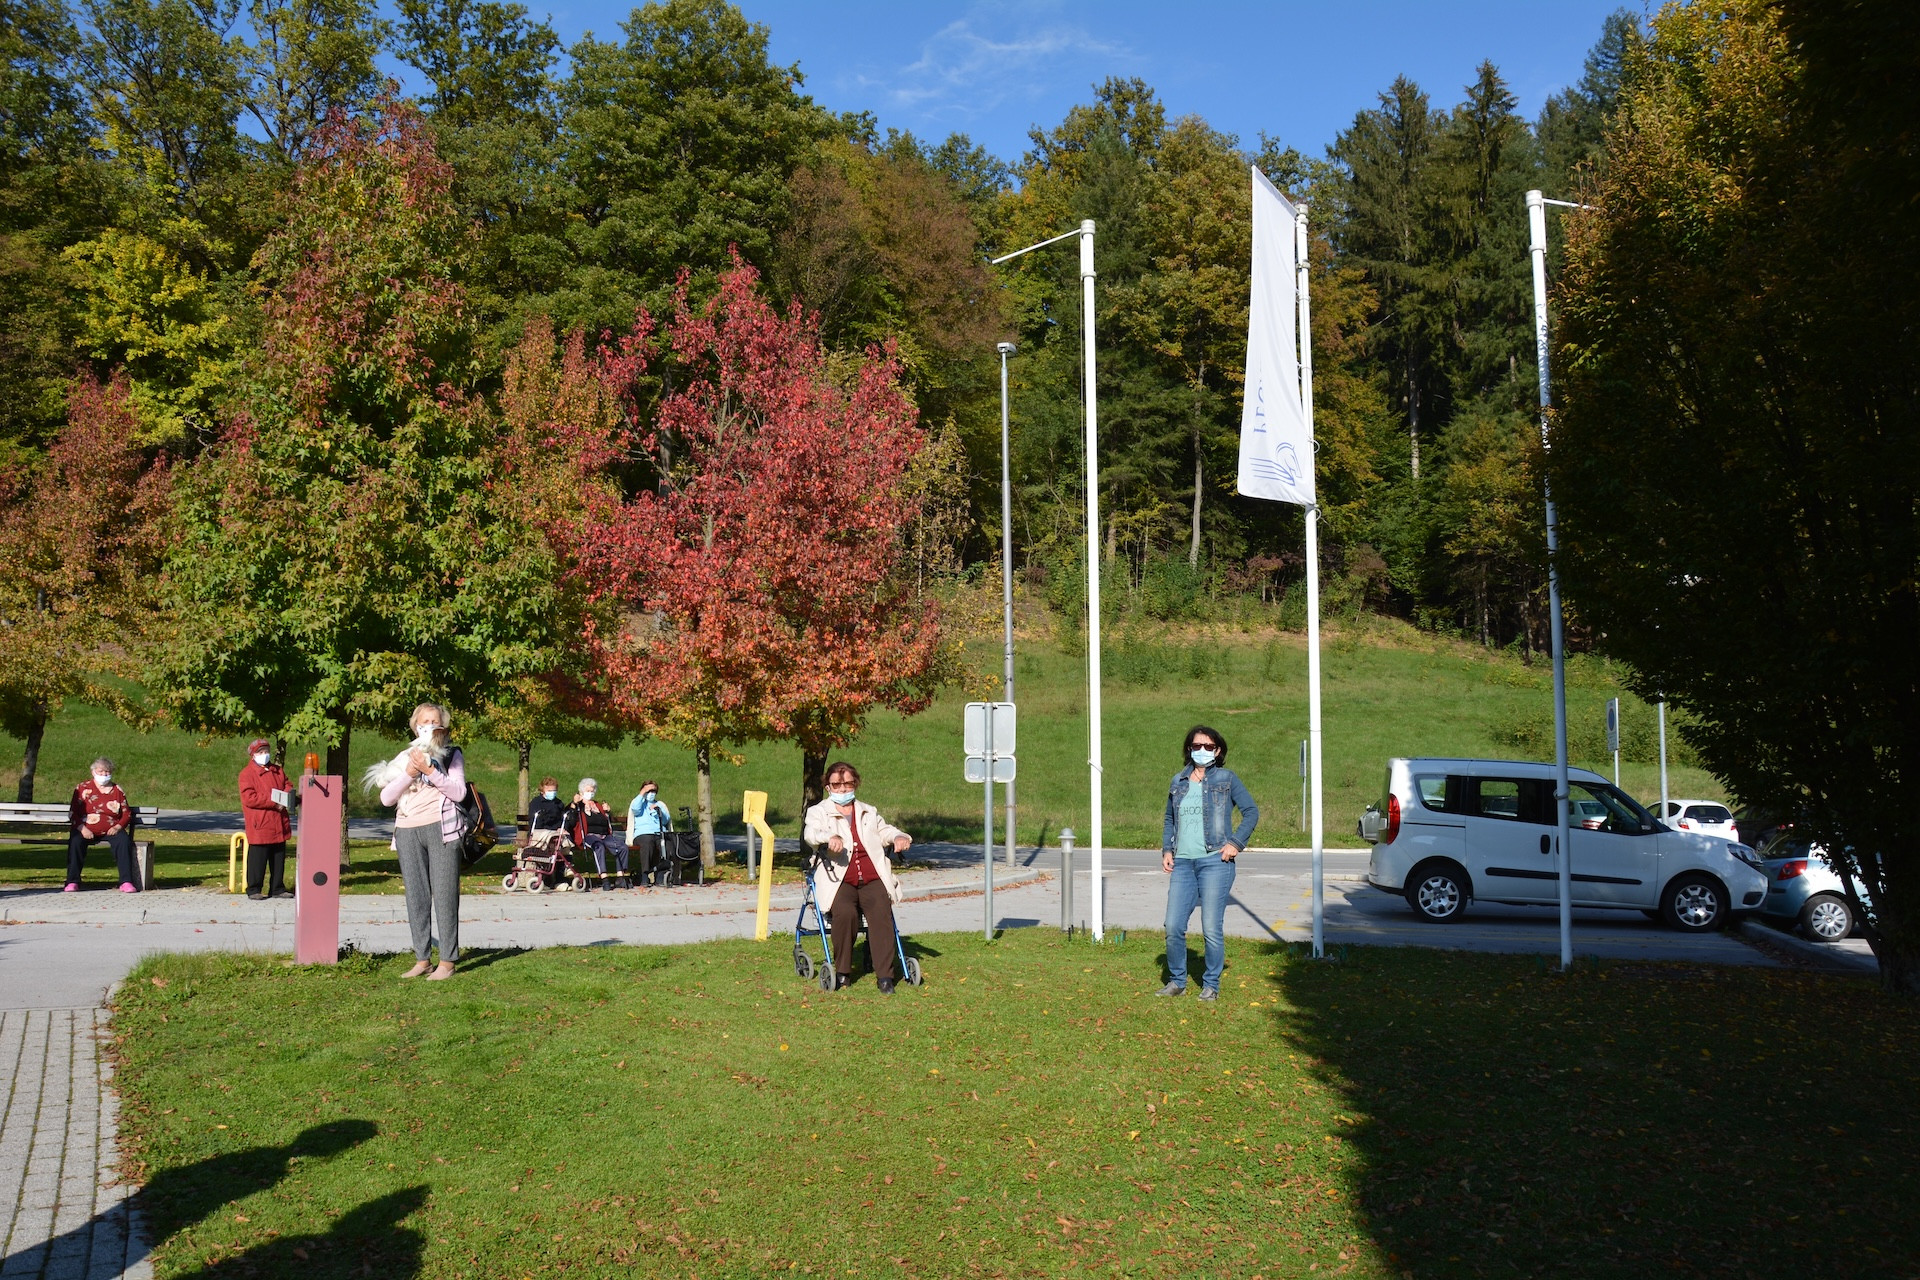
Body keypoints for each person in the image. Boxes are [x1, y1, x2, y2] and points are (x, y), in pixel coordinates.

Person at [1157, 725, 1259, 1001]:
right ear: (1189, 749)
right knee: (1173, 925)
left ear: (1218, 750)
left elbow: (1251, 812)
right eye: (1197, 746)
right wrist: (1168, 849)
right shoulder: (1178, 781)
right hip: (1183, 863)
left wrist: (1235, 843)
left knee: (1211, 926)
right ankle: (1177, 980)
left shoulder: (1227, 778)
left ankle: (1211, 984)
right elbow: (1169, 819)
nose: (1202, 751)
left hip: (1215, 861)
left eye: (1208, 746)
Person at [802, 761, 912, 994]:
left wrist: (900, 836)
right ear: (828, 787)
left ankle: (885, 976)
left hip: (871, 877)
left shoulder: (867, 811)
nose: (843, 789)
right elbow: (810, 834)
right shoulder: (818, 811)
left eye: (848, 783)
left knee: (881, 911)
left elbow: (885, 831)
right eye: (837, 785)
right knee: (845, 913)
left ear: (855, 784)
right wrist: (827, 836)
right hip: (839, 878)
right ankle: (843, 971)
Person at [377, 703, 467, 980]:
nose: (429, 725)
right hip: (407, 830)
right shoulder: (405, 756)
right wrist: (410, 773)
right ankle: (422, 958)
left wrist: (430, 771)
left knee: (444, 895)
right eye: (424, 721)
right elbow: (386, 797)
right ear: (415, 725)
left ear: (443, 726)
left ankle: (448, 961)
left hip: (441, 829)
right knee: (415, 896)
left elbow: (459, 792)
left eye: (435, 721)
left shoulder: (452, 754)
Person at [66, 757, 139, 892]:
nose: (104, 775)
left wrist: (117, 827)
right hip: (85, 828)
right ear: (93, 772)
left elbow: (126, 813)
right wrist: (82, 828)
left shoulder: (117, 790)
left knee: (123, 841)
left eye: (107, 772)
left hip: (111, 828)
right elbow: (73, 812)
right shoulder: (82, 788)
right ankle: (72, 881)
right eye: (101, 771)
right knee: (76, 842)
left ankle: (126, 881)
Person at [237, 738, 294, 899]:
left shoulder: (277, 770)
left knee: (278, 857)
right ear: (253, 755)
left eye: (266, 751)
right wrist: (274, 800)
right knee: (258, 859)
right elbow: (249, 798)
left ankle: (277, 888)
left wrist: (286, 797)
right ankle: (254, 889)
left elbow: (288, 785)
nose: (265, 755)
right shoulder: (247, 774)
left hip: (278, 821)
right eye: (261, 752)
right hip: (261, 822)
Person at [567, 777, 629, 889]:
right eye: (587, 791)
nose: (590, 793)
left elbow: (606, 822)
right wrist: (574, 804)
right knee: (598, 846)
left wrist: (607, 813)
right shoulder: (578, 806)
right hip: (589, 836)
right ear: (581, 792)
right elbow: (570, 821)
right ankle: (604, 877)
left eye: (592, 791)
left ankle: (620, 877)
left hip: (605, 835)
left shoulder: (598, 806)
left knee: (622, 847)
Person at [626, 780, 672, 888]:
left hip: (658, 832)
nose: (651, 793)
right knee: (647, 843)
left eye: (653, 791)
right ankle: (645, 875)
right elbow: (635, 809)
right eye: (649, 790)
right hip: (642, 833)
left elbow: (666, 820)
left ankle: (660, 875)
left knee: (667, 845)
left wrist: (658, 811)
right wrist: (643, 793)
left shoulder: (660, 804)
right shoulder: (639, 802)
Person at [525, 776, 567, 840]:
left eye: (554, 791)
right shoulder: (536, 803)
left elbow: (562, 819)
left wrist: (561, 828)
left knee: (566, 837)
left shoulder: (559, 803)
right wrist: (553, 829)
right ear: (542, 791)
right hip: (539, 832)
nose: (552, 793)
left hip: (556, 831)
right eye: (549, 791)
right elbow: (536, 822)